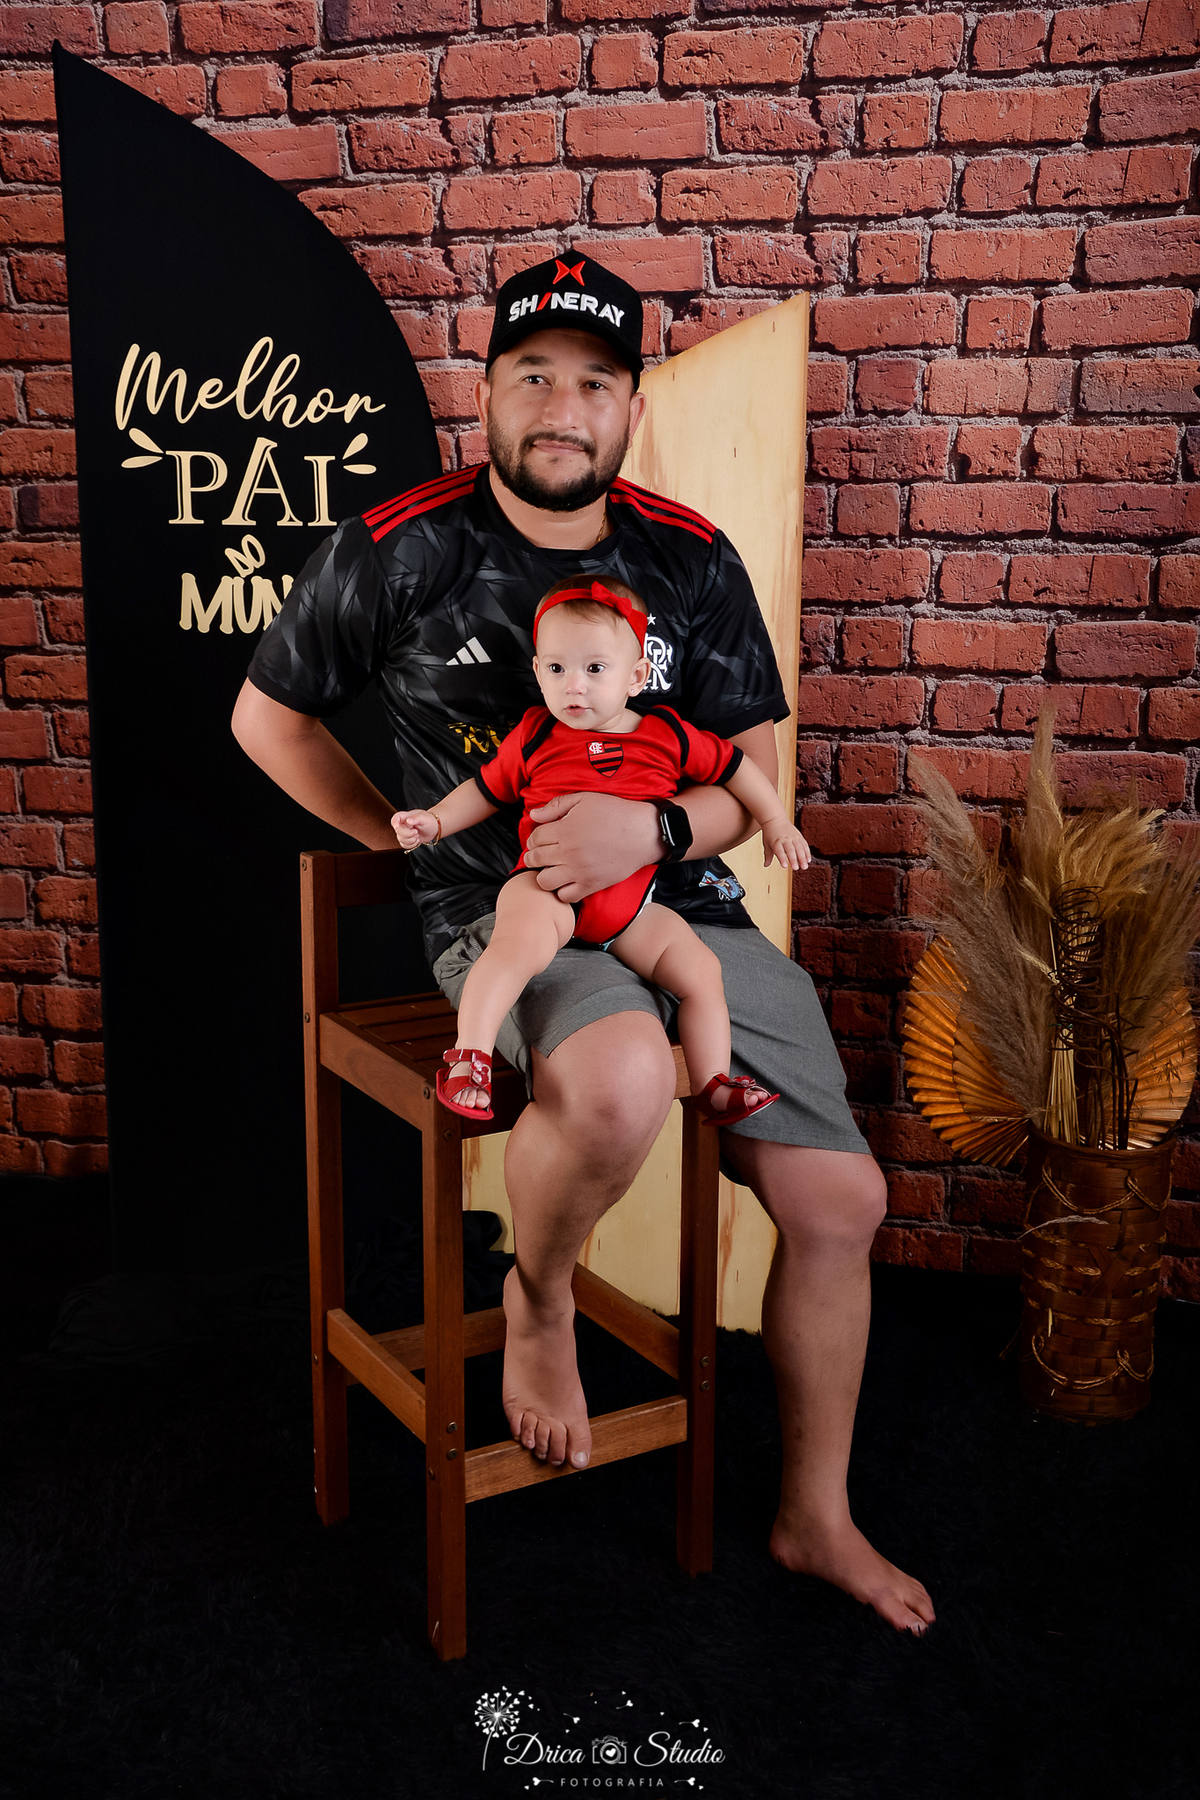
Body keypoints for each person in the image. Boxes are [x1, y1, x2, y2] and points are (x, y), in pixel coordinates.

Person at [231, 252, 935, 1634]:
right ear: (486, 390)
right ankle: (542, 1296)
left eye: (595, 382)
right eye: (533, 376)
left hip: (685, 906)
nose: (564, 406)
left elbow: (746, 778)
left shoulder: (689, 554)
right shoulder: (401, 546)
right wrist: (404, 835)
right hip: (512, 921)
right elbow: (266, 720)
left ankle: (815, 1519)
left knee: (845, 1203)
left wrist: (656, 839)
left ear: (628, 408)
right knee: (613, 1082)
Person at [392, 573, 809, 1124]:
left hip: (629, 910)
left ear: (636, 675)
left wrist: (777, 820)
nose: (575, 688)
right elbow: (487, 789)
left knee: (701, 971)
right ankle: (470, 1057)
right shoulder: (536, 734)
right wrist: (436, 822)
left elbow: (737, 769)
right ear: (538, 671)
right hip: (546, 889)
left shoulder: (667, 735)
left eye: (595, 669)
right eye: (558, 669)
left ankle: (714, 1085)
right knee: (515, 950)